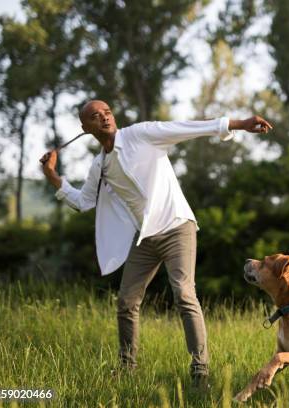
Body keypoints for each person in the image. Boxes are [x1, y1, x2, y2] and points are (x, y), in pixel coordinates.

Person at [39, 100, 272, 389]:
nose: (104, 118)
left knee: (184, 294)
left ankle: (200, 372)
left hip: (177, 226)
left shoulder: (141, 134)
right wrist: (52, 176)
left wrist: (239, 124)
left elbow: (186, 128)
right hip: (145, 237)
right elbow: (84, 202)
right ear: (85, 127)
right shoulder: (100, 166)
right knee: (126, 302)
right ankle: (127, 368)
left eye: (107, 112)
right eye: (95, 116)